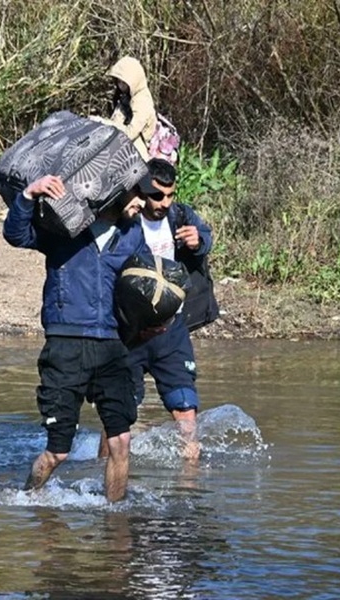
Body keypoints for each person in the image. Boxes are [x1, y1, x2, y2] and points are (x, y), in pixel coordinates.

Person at [4, 174, 148, 503]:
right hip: (65, 343)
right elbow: (15, 235)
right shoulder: (64, 223)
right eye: (136, 193)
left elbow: (140, 288)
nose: (142, 202)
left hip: (112, 345)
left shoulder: (133, 232)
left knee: (120, 442)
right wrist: (29, 194)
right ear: (114, 191)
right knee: (58, 453)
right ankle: (25, 499)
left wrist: (151, 322)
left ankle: (116, 520)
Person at [101, 159, 214, 462]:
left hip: (172, 332)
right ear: (142, 190)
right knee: (116, 414)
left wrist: (199, 241)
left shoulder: (179, 216)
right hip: (129, 334)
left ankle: (190, 490)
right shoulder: (122, 221)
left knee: (186, 408)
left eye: (170, 195)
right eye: (157, 196)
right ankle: (97, 474)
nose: (164, 203)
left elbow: (205, 235)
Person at [108, 56, 157, 162]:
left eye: (123, 83)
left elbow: (130, 133)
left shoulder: (142, 102)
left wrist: (106, 124)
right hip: (122, 153)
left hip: (135, 158)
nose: (120, 86)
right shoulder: (126, 96)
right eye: (119, 82)